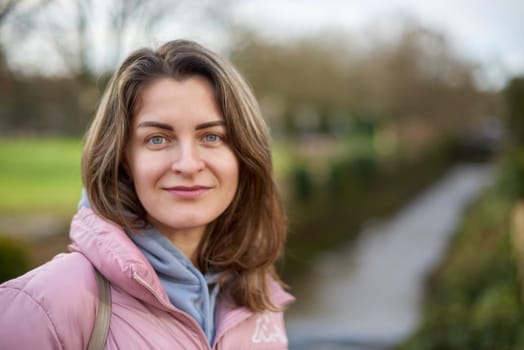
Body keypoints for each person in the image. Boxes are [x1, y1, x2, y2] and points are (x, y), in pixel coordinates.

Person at [0, 39, 294, 349]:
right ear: (124, 157)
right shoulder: (46, 304)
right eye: (157, 139)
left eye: (211, 136)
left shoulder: (259, 295)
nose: (188, 164)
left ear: (244, 155)